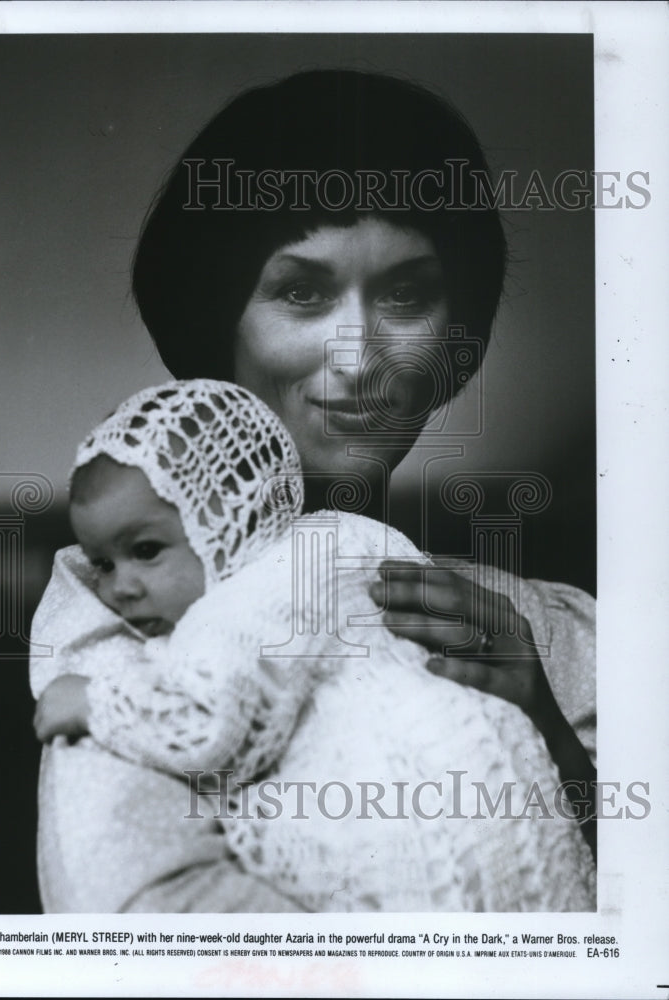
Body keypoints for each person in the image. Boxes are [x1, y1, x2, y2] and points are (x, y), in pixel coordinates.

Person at [130, 67, 598, 896]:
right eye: (302, 292)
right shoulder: (122, 623)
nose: (358, 357)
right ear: (217, 317)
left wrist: (553, 741)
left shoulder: (566, 635)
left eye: (407, 295)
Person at [31, 379, 594, 913]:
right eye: (102, 564)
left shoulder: (233, 610)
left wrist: (97, 702)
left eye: (147, 550)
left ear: (228, 519)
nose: (119, 588)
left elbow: (213, 730)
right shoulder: (345, 533)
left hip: (424, 864)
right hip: (532, 851)